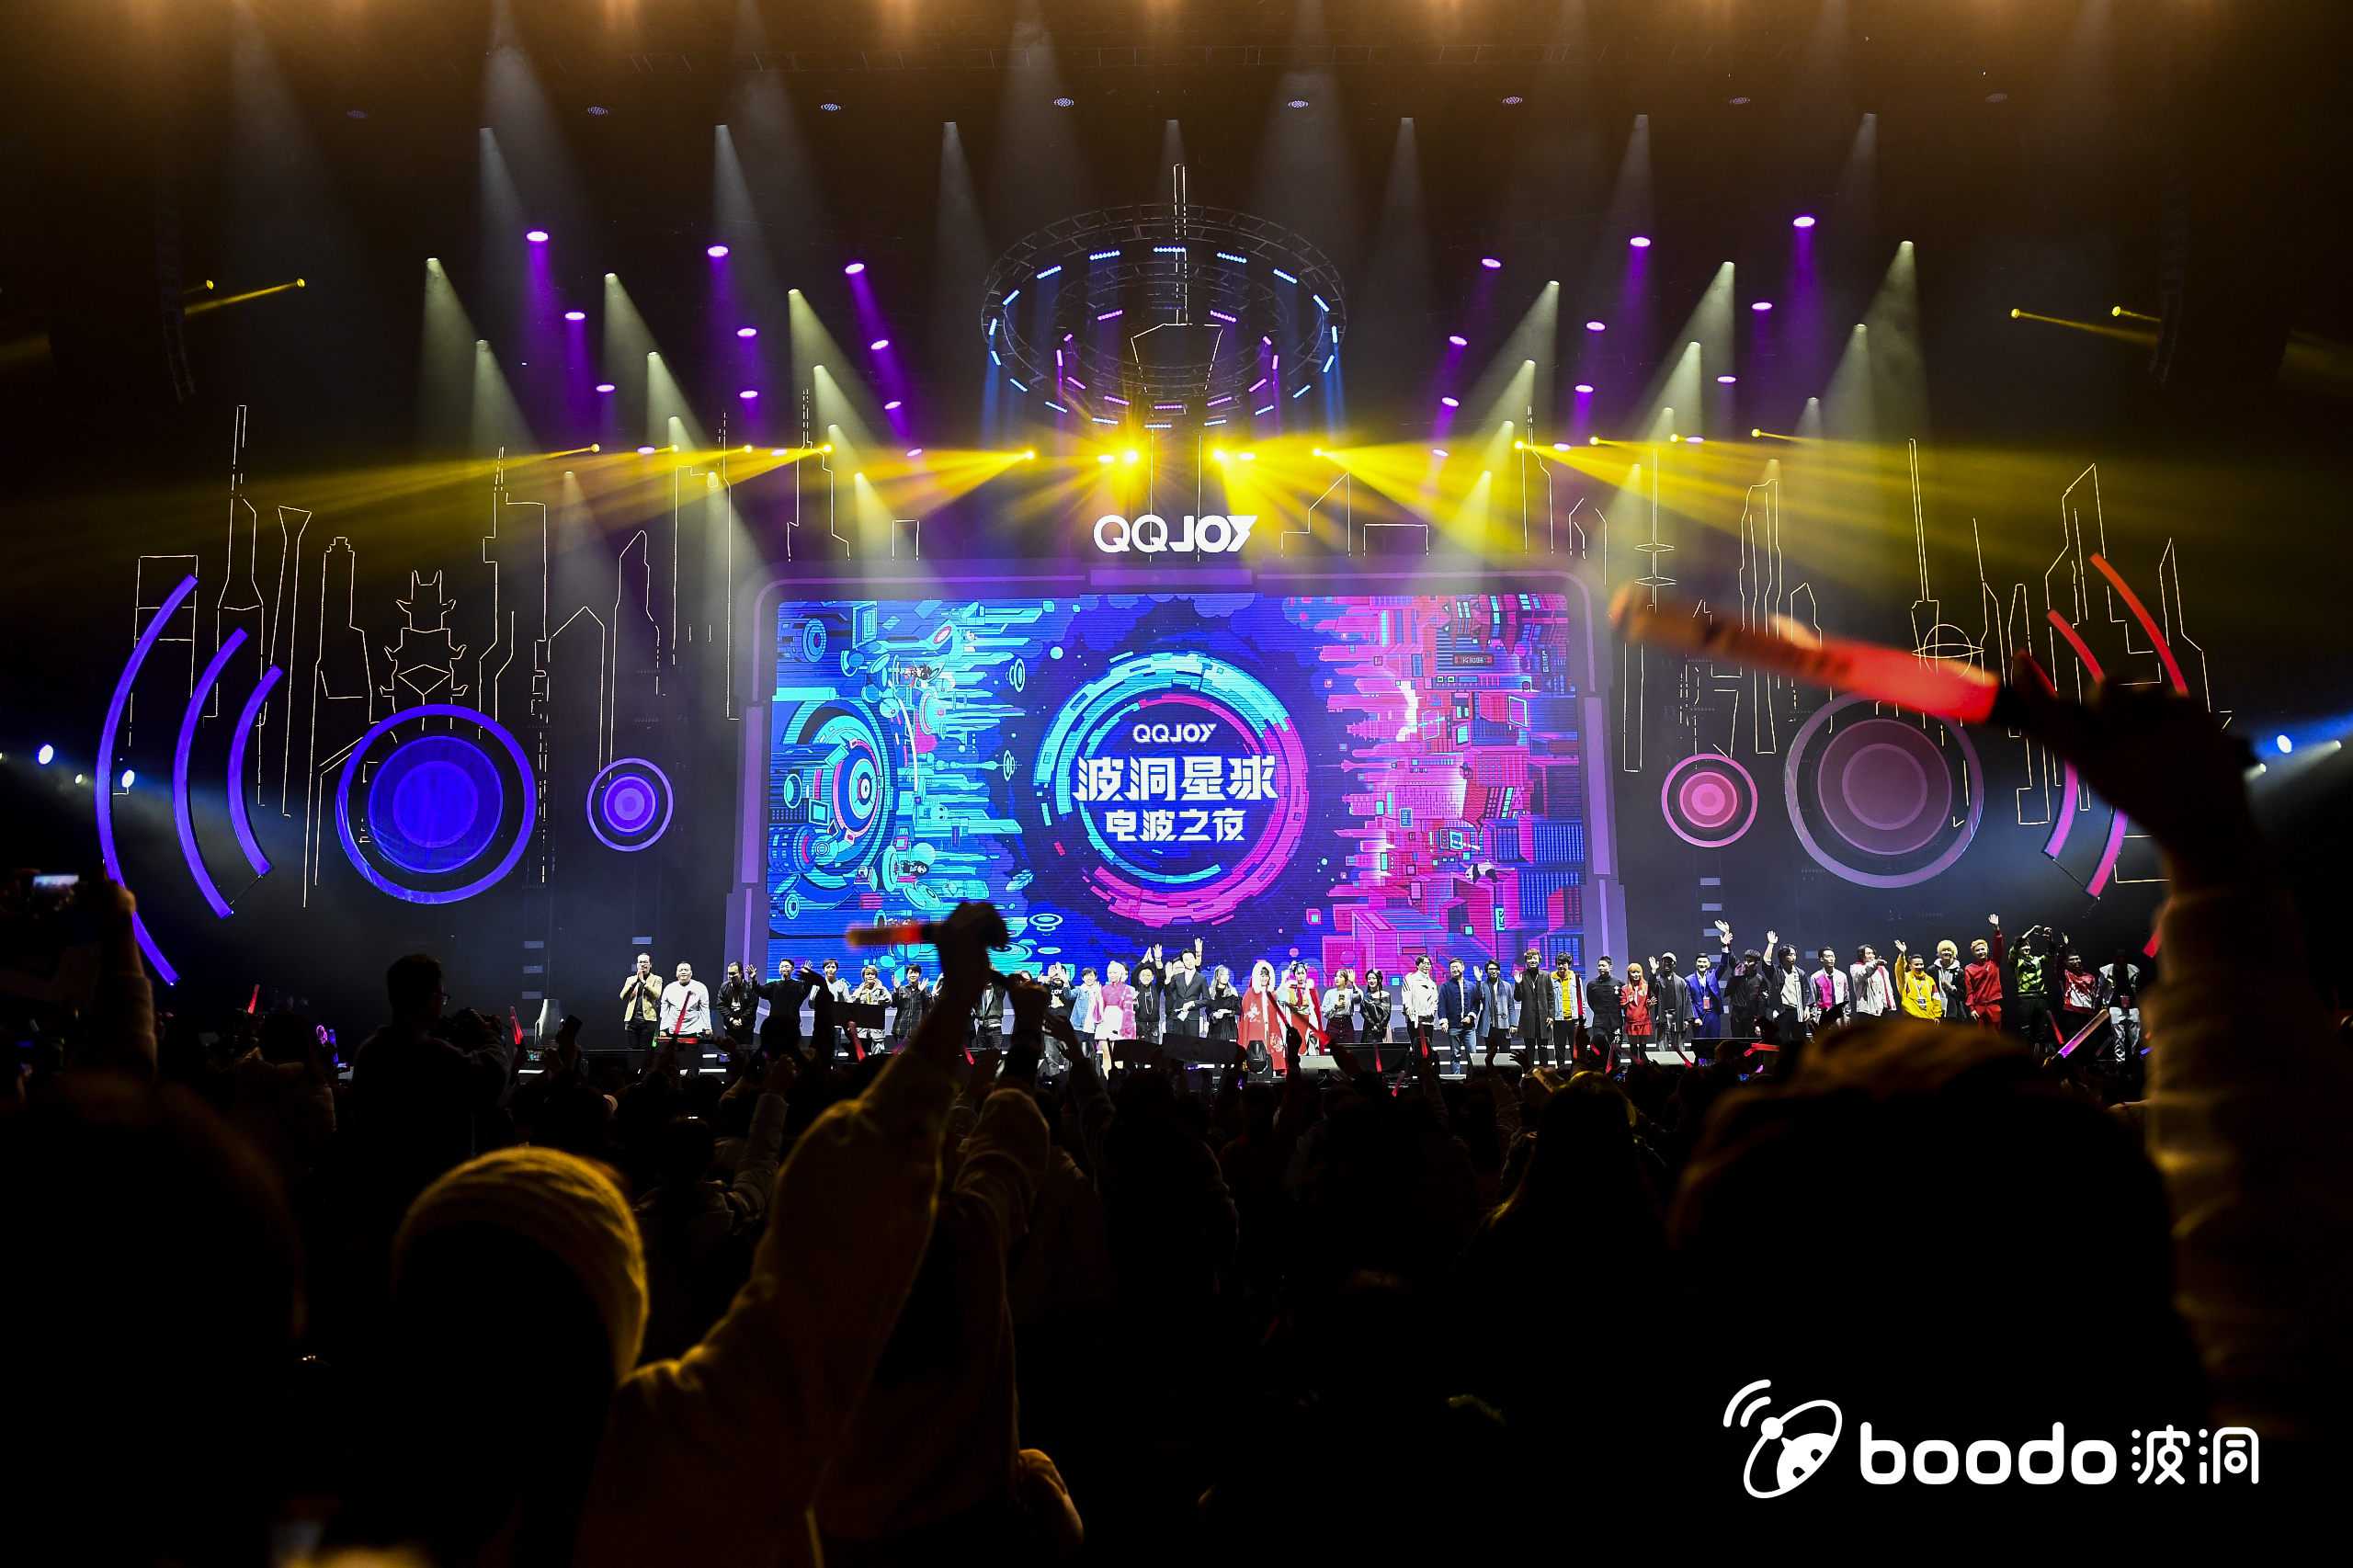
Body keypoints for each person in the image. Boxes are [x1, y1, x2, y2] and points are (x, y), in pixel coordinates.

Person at [574, 902, 1029, 1566]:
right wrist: (980, 1013)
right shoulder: (973, 1241)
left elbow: (840, 1184)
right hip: (974, 1538)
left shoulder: (652, 1433)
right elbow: (1002, 1147)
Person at [347, 953, 510, 1220]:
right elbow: (492, 1077)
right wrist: (490, 1037)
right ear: (432, 998)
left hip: (380, 1196)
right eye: (441, 996)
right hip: (432, 1201)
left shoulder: (369, 1052)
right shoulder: (429, 1054)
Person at [659, 962, 711, 1071]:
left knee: (693, 1066)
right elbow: (664, 1010)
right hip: (674, 1032)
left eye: (686, 970)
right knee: (674, 1065)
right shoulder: (669, 988)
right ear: (676, 973)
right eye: (681, 970)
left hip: (693, 1030)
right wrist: (662, 1028)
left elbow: (705, 1009)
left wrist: (707, 1028)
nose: (683, 972)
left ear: (691, 973)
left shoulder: (700, 987)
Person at [757, 958, 812, 1062]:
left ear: (792, 969)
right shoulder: (774, 985)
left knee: (791, 1050)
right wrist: (754, 980)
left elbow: (806, 989)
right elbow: (761, 991)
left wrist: (807, 975)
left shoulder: (798, 985)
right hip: (775, 1024)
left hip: (792, 1023)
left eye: (787, 966)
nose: (784, 968)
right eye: (782, 966)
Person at [2099, 948, 2145, 1063]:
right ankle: (2120, 1063)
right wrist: (2101, 1005)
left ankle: (2136, 1061)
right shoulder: (2106, 971)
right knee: (2118, 1037)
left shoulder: (2134, 970)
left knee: (2136, 1036)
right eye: (2118, 963)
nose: (2120, 965)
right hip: (2115, 1007)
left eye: (2123, 963)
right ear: (2114, 961)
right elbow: (2101, 989)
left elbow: (2140, 989)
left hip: (2133, 1007)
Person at [1512, 949, 1553, 1069]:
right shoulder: (1522, 976)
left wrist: (1551, 1015)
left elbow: (1551, 997)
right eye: (1529, 959)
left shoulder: (1546, 976)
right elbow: (1518, 998)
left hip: (1543, 1020)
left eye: (1534, 958)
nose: (1532, 961)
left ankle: (1544, 1074)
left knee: (1543, 1051)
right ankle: (1530, 1075)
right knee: (1529, 1051)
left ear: (1539, 960)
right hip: (1528, 1020)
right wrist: (1517, 984)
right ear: (1526, 961)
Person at [1240, 960, 1282, 1076]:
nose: (1264, 978)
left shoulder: (1271, 993)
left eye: (1266, 976)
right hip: (1256, 1028)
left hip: (1270, 1027)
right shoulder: (1250, 993)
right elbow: (1246, 1016)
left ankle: (1272, 1068)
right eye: (1262, 975)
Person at [1162, 940, 1208, 1048]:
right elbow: (1167, 993)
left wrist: (1193, 1003)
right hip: (1178, 1017)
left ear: (1195, 959)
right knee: (1178, 1047)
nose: (1189, 961)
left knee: (1192, 1047)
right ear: (1183, 962)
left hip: (1192, 1018)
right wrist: (1168, 979)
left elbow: (1207, 1000)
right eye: (1186, 959)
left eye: (1191, 958)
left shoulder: (1201, 978)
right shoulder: (1177, 977)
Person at [1963, 916, 2006, 1028]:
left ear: (1987, 950)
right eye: (1977, 950)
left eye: (1982, 949)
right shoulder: (1969, 968)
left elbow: (1999, 947)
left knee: (1995, 1035)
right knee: (1980, 1037)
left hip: (1993, 1005)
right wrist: (1971, 1009)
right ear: (1973, 953)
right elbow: (1969, 991)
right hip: (1978, 1007)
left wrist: (1996, 928)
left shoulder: (1994, 963)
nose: (1980, 952)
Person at [1650, 951, 1694, 1056]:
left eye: (1669, 962)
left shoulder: (1681, 982)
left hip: (1677, 1016)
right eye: (1665, 961)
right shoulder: (1658, 980)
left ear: (1674, 964)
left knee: (1679, 1045)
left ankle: (1680, 1065)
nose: (1667, 964)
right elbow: (1652, 987)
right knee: (1661, 1045)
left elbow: (1687, 1000)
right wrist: (1653, 971)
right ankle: (1661, 1065)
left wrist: (1687, 1019)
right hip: (1663, 1016)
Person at [620, 953, 662, 1062]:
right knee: (632, 1050)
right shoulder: (630, 979)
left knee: (646, 1050)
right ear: (637, 964)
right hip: (631, 1020)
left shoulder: (657, 979)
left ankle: (645, 1071)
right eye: (640, 962)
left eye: (645, 962)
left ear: (650, 964)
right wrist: (634, 983)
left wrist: (643, 982)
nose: (643, 964)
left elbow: (656, 995)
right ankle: (634, 1071)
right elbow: (623, 996)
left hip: (648, 1020)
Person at [1766, 938, 1807, 1045]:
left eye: (1795, 954)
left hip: (1798, 1011)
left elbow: (1807, 992)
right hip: (1782, 1011)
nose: (1794, 957)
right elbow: (1766, 962)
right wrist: (1771, 944)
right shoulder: (1776, 972)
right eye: (1790, 955)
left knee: (1800, 1042)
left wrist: (1807, 1008)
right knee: (1782, 1042)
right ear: (1783, 957)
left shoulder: (1800, 973)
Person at [1400, 954, 1439, 1061]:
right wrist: (1408, 1006)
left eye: (1428, 964)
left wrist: (1430, 1013)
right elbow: (1406, 993)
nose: (1427, 966)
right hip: (1415, 1019)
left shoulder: (1432, 983)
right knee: (1416, 1047)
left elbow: (1434, 1001)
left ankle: (1427, 1068)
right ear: (1417, 965)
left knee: (1428, 1047)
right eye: (1424, 963)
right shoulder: (1410, 978)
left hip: (1428, 1020)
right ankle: (1416, 1067)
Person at [1438, 958, 1474, 1073]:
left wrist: (1471, 1016)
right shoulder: (1446, 986)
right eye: (1452, 968)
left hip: (1469, 1028)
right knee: (1455, 1055)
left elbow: (1476, 1004)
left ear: (1463, 968)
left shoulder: (1471, 986)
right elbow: (1442, 1005)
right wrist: (1444, 1021)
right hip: (1453, 1026)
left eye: (1457, 967)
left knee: (1472, 1055)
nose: (1454, 969)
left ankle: (1472, 1078)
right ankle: (1455, 1078)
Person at [847, 964, 891, 1058]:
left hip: (876, 1027)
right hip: (862, 1027)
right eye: (867, 974)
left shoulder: (882, 989)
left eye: (872, 974)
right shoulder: (858, 990)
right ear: (864, 976)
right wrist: (858, 994)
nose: (870, 976)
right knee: (861, 1054)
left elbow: (888, 1003)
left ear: (876, 976)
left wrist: (880, 989)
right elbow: (850, 1006)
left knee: (877, 1055)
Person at [1586, 956, 1624, 1063]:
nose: (1601, 968)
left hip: (1615, 1021)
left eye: (1603, 965)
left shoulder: (1619, 983)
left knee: (1616, 1047)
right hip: (1599, 1022)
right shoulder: (1592, 985)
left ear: (1610, 967)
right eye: (1599, 966)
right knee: (1599, 1045)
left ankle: (1616, 1069)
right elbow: (1591, 1002)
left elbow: (1622, 1001)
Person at [1097, 960, 1136, 1062]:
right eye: (1110, 972)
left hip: (1119, 1021)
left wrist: (1125, 1028)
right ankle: (1107, 1073)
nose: (1112, 975)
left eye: (1115, 972)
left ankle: (1118, 1073)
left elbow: (1128, 1011)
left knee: (1117, 1055)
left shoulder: (1126, 989)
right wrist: (1097, 997)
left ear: (1120, 974)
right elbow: (1099, 1008)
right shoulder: (1103, 989)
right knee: (1106, 1054)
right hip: (1105, 1022)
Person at [1551, 954, 1585, 1069]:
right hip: (1558, 1019)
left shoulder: (1576, 979)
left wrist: (1583, 1017)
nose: (1561, 966)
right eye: (1559, 964)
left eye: (1564, 964)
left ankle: (1575, 1071)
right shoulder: (1551, 979)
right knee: (1559, 1049)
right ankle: (1560, 1071)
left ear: (1569, 965)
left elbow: (1581, 998)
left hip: (1573, 1019)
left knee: (1574, 1049)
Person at [716, 961, 758, 1051]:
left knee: (745, 1054)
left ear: (741, 973)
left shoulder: (750, 987)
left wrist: (741, 1021)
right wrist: (731, 1020)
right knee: (730, 1053)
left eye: (733, 974)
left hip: (746, 1029)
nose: (731, 976)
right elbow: (721, 1004)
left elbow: (752, 1007)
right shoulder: (724, 987)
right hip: (730, 1028)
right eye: (729, 974)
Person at [1687, 941, 1724, 1040]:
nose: (1702, 964)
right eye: (1699, 962)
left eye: (1704, 962)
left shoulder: (1713, 975)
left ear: (1708, 964)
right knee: (1700, 1043)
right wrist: (1695, 1017)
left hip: (1713, 1014)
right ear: (1696, 964)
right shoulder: (1689, 980)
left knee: (1714, 1042)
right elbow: (1690, 1001)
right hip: (1699, 1015)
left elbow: (1723, 965)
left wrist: (1725, 946)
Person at [890, 964, 931, 1051]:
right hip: (901, 1029)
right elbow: (893, 1004)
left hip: (919, 1030)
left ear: (919, 975)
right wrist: (896, 990)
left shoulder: (925, 990)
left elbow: (929, 1005)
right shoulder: (901, 989)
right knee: (901, 1055)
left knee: (917, 1055)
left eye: (915, 973)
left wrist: (922, 992)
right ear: (907, 976)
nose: (913, 975)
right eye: (910, 973)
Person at [1895, 946, 1943, 1020]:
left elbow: (1936, 999)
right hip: (1912, 1018)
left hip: (1928, 1018)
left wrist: (1937, 1015)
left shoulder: (1929, 980)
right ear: (1910, 966)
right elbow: (1899, 968)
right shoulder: (1905, 978)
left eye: (1921, 964)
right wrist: (1902, 955)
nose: (1920, 967)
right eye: (1916, 965)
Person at [1806, 948, 1848, 1031]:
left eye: (1832, 956)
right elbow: (1813, 997)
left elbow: (1846, 995)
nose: (1831, 959)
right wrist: (1814, 1016)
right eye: (1828, 956)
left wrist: (1847, 1014)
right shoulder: (1816, 977)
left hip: (1838, 1014)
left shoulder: (1842, 976)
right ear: (1822, 959)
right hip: (1823, 1014)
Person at [1620, 960, 1654, 1060]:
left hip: (1644, 1020)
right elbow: (1622, 1005)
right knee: (1633, 1048)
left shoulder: (1646, 987)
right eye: (1633, 972)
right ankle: (1634, 1067)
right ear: (1629, 974)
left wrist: (1649, 1005)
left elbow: (1647, 1004)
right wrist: (1628, 1002)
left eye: (1638, 972)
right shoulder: (1625, 989)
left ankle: (1644, 1067)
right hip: (1631, 1021)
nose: (1636, 975)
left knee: (1643, 1048)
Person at [1321, 968, 1360, 1056]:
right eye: (1336, 976)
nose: (1337, 978)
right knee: (1333, 1052)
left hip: (1347, 1024)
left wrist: (1353, 983)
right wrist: (1335, 1006)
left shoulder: (1350, 992)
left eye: (1340, 977)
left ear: (1346, 980)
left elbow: (1358, 999)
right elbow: (1324, 1011)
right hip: (1333, 1025)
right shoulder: (1329, 993)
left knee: (1348, 1052)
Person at [1849, 944, 1894, 1020]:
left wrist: (1887, 1003)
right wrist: (1874, 965)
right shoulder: (1856, 968)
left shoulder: (1881, 968)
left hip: (1882, 1008)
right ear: (1861, 956)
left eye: (1873, 953)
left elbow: (1887, 987)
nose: (1872, 956)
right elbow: (1862, 974)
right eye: (1868, 953)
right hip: (1867, 1010)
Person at [1206, 964, 1242, 1060]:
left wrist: (1225, 1011)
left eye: (1227, 975)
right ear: (1217, 976)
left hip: (1227, 1027)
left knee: (1227, 1055)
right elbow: (1207, 1010)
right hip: (1215, 1027)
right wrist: (1214, 1014)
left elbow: (1238, 1010)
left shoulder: (1232, 991)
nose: (1226, 977)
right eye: (1223, 975)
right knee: (1215, 1055)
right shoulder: (1211, 992)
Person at [1360, 968, 1394, 1070]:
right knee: (1368, 1055)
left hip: (1383, 1028)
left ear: (1379, 980)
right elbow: (1365, 1013)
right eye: (1369, 978)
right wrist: (1373, 1025)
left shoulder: (1386, 995)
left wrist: (1380, 1026)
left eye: (1374, 978)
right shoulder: (1365, 996)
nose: (1371, 981)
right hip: (1369, 1029)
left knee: (1383, 1055)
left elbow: (1387, 1013)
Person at [1929, 939, 1969, 1024]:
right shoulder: (1932, 970)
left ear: (1953, 953)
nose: (1946, 953)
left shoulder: (1959, 972)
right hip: (1935, 1012)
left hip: (1954, 1013)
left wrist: (1950, 987)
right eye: (1944, 950)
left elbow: (1962, 994)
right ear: (1939, 953)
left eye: (1949, 950)